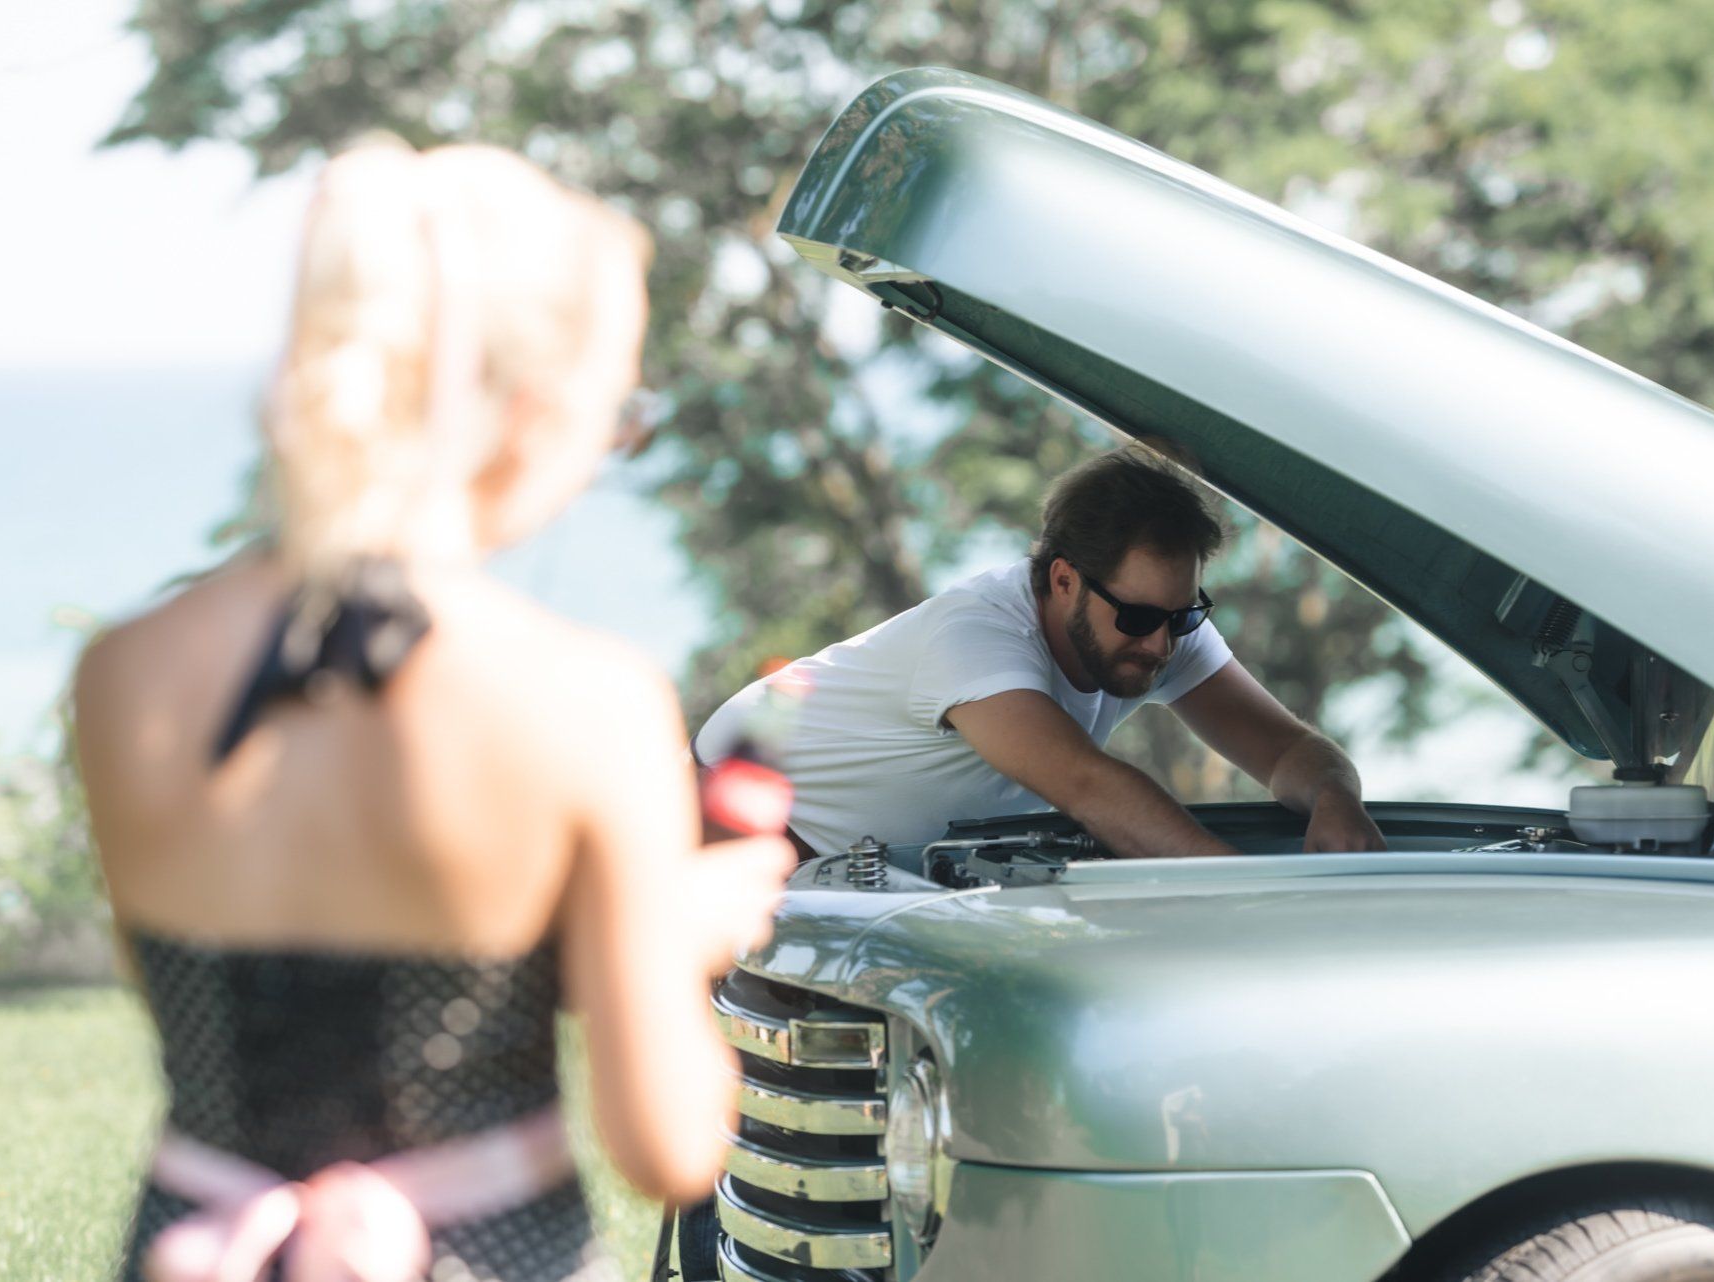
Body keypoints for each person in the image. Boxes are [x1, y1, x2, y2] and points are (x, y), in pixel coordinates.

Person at [74, 138, 790, 1282]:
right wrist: (663, 939)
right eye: (620, 412)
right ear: (530, 412)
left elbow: (197, 975)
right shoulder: (586, 701)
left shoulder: (124, 672)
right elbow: (667, 1144)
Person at [695, 446, 1385, 860]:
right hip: (735, 812)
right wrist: (1254, 892)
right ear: (1062, 580)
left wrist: (1335, 798)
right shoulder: (978, 637)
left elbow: (1290, 751)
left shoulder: (1160, 624)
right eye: (1141, 617)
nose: (1161, 643)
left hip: (869, 861)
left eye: (1183, 616)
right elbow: (1088, 787)